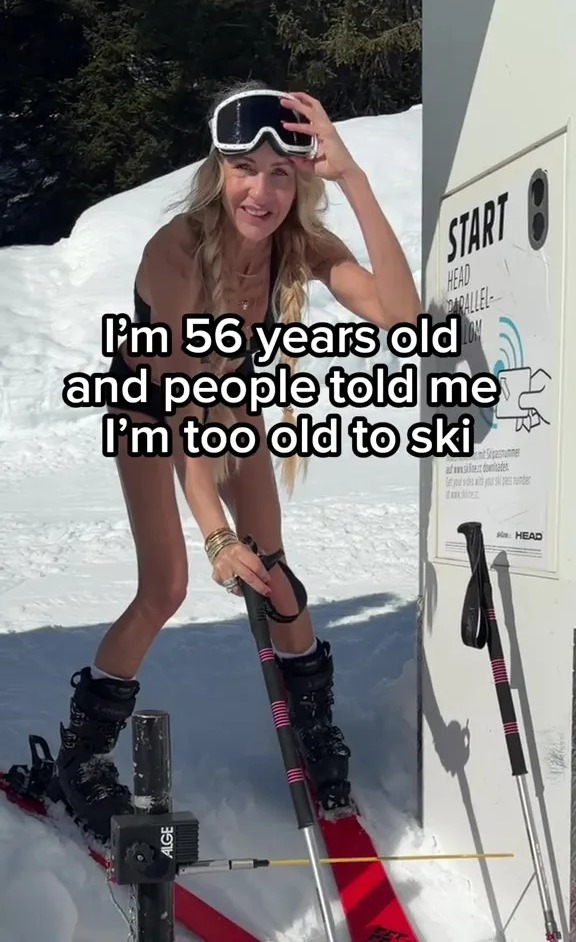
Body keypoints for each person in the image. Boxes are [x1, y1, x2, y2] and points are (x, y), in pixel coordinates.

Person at [48, 81, 421, 843]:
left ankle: (315, 735)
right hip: (153, 409)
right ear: (217, 170)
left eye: (282, 173)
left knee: (276, 573)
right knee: (169, 586)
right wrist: (217, 535)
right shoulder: (175, 252)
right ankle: (81, 756)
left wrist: (354, 179)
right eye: (246, 168)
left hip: (231, 403)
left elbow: (402, 317)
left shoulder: (301, 245)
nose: (263, 190)